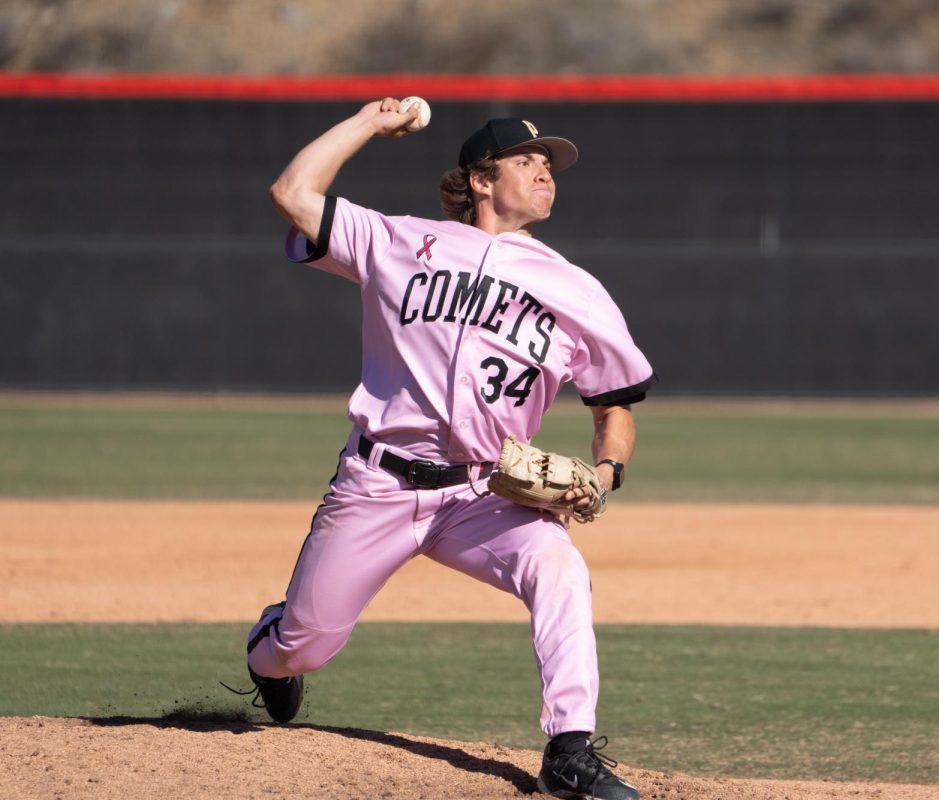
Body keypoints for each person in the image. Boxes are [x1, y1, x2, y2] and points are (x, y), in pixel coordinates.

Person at [239, 97, 657, 800]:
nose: (545, 171)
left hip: (484, 494)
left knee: (557, 567)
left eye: (549, 163)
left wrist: (609, 472)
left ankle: (569, 747)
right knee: (303, 644)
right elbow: (293, 192)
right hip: (379, 483)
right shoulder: (398, 242)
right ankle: (271, 657)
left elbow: (613, 407)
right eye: (528, 161)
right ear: (482, 180)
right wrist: (372, 122)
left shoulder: (578, 291)